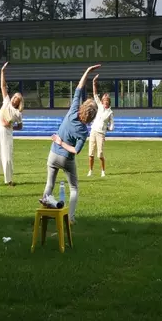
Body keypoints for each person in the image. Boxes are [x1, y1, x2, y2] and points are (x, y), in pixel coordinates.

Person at [42, 64, 101, 224]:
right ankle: (71, 218)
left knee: (50, 184)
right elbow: (75, 150)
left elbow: (79, 88)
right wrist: (63, 143)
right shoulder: (84, 131)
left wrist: (87, 71)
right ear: (92, 118)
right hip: (66, 158)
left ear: (82, 107)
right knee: (74, 188)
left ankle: (44, 214)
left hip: (53, 154)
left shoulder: (73, 111)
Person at [0, 62, 24, 188]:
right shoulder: (6, 101)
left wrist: (11, 126)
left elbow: (21, 126)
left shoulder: (18, 113)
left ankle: (9, 180)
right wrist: (2, 71)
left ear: (19, 102)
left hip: (7, 133)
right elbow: (3, 86)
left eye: (17, 99)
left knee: (7, 156)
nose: (14, 100)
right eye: (14, 97)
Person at [87, 74, 115, 177]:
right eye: (104, 101)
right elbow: (95, 94)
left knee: (100, 154)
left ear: (109, 102)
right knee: (91, 153)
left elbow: (112, 126)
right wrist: (94, 82)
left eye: (107, 101)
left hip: (101, 134)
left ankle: (103, 171)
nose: (105, 102)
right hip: (93, 131)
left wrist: (107, 129)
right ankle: (90, 171)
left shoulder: (110, 113)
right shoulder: (99, 106)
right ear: (102, 101)